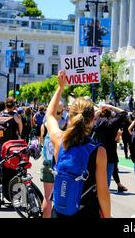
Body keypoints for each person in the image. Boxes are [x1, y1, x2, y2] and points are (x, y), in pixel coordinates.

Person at [46, 71, 111, 218]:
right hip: (86, 212)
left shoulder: (59, 140)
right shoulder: (98, 151)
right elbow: (103, 194)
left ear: (69, 115)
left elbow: (49, 115)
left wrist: (60, 87)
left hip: (60, 211)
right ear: (93, 119)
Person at [40, 102, 65, 218]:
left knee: (47, 197)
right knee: (63, 197)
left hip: (48, 162)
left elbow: (41, 141)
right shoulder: (65, 125)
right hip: (62, 164)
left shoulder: (45, 125)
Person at [93, 103, 127, 188]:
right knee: (106, 182)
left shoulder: (97, 122)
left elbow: (90, 119)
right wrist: (111, 107)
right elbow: (123, 113)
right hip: (110, 154)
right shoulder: (113, 123)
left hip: (98, 153)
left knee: (96, 180)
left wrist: (99, 110)